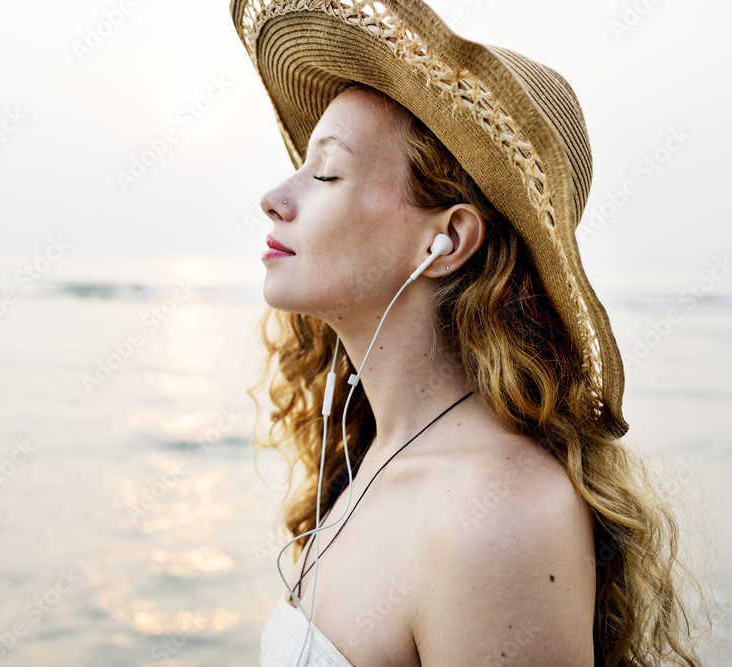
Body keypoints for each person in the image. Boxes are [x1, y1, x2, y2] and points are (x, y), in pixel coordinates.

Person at [229, 0, 706, 665]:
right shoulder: (371, 457)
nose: (276, 196)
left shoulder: (499, 516)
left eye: (327, 172)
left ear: (446, 239)